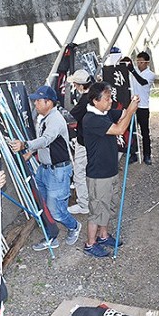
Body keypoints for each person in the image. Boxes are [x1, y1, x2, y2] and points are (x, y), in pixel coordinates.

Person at [10, 85, 81, 250]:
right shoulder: (43, 118)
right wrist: (31, 152)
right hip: (44, 169)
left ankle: (74, 226)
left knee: (56, 211)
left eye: (38, 101)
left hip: (58, 171)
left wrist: (25, 145)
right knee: (43, 206)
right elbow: (43, 141)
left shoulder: (55, 119)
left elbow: (46, 139)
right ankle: (51, 236)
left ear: (48, 102)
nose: (35, 104)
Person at [82, 82, 140, 257]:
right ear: (95, 100)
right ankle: (90, 244)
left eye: (110, 98)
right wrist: (130, 111)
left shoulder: (105, 113)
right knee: (97, 210)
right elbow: (120, 129)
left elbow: (123, 115)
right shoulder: (91, 119)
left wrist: (131, 106)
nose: (110, 101)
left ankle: (103, 235)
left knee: (109, 206)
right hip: (98, 174)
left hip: (111, 170)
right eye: (107, 99)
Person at [66, 69, 93, 215]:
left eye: (76, 84)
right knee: (91, 170)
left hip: (84, 141)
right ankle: (92, 198)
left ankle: (84, 204)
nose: (75, 87)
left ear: (81, 86)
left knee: (79, 173)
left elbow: (70, 117)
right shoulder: (96, 92)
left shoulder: (84, 100)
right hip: (96, 140)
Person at [126, 51, 156, 165]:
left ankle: (147, 155)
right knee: (132, 131)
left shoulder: (150, 74)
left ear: (147, 63)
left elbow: (142, 82)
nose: (139, 64)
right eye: (137, 62)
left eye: (141, 62)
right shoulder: (134, 71)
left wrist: (133, 71)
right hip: (132, 105)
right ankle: (133, 154)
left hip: (143, 106)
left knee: (145, 132)